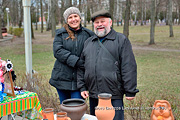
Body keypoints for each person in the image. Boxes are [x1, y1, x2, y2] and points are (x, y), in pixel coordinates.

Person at [77, 10, 139, 120]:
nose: (99, 24)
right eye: (96, 22)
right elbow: (82, 66)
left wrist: (130, 90)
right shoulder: (88, 42)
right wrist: (82, 87)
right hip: (93, 94)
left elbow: (128, 65)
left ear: (110, 22)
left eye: (103, 21)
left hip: (113, 95)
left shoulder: (121, 40)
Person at [49, 7, 94, 104]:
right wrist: (77, 61)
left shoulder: (89, 34)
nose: (73, 19)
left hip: (79, 82)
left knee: (76, 110)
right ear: (67, 20)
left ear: (80, 18)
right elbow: (58, 51)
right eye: (70, 17)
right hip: (62, 79)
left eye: (75, 16)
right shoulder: (60, 34)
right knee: (65, 110)